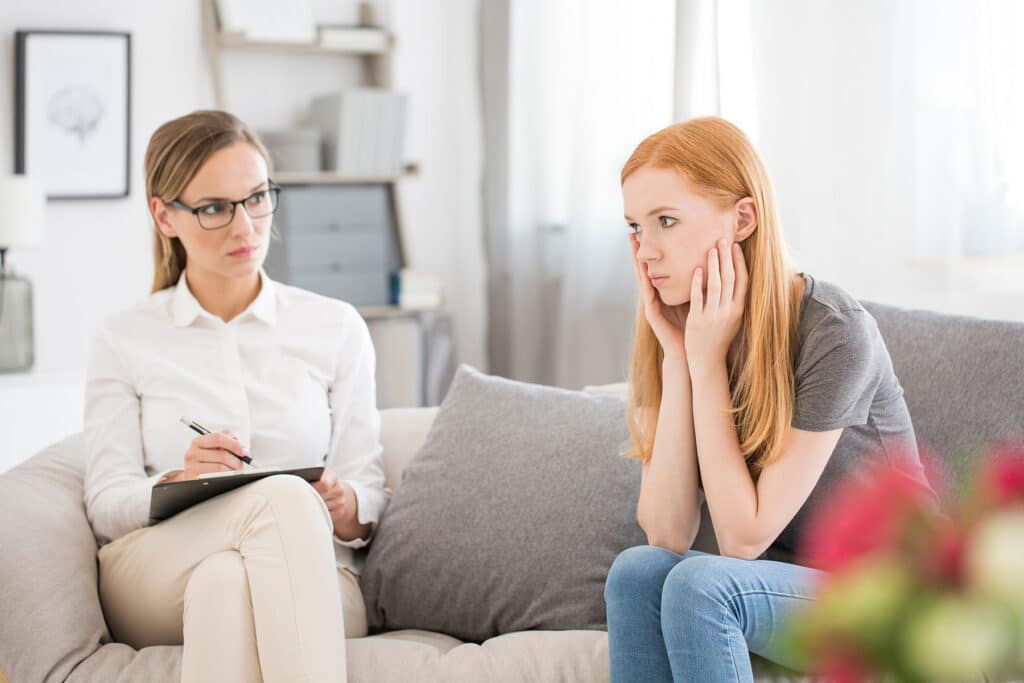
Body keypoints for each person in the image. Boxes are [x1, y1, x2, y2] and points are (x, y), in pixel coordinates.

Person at [603, 117, 936, 682]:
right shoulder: (681, 325)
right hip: (788, 588)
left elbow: (742, 537)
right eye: (635, 226)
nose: (646, 252)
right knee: (636, 572)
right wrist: (680, 360)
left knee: (702, 586)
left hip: (896, 599)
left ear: (742, 219)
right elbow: (666, 532)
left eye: (666, 221)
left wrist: (707, 366)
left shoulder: (834, 330)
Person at [83, 110, 389, 682]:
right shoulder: (123, 337)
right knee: (279, 500)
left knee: (226, 584)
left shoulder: (336, 327)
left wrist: (347, 504)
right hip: (156, 568)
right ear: (164, 215)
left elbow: (368, 489)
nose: (246, 227)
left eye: (257, 198)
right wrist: (175, 483)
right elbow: (105, 502)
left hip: (317, 575)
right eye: (215, 208)